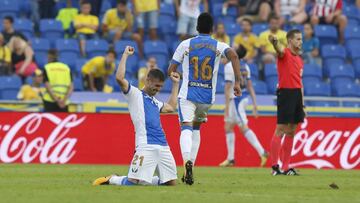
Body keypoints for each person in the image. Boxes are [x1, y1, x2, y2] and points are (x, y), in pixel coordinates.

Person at [168, 12, 243, 185]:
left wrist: (178, 75)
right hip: (207, 97)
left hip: (188, 94)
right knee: (197, 128)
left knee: (185, 127)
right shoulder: (218, 45)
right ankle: (192, 165)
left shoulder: (185, 44)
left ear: (196, 27)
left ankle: (186, 161)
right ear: (212, 28)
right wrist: (237, 82)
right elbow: (234, 56)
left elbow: (171, 69)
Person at [92, 46, 180, 186]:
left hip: (163, 145)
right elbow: (119, 78)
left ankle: (144, 180)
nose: (158, 89)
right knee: (131, 183)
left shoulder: (155, 102)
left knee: (170, 183)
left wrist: (176, 85)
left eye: (160, 87)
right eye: (156, 86)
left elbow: (171, 107)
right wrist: (125, 54)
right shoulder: (134, 94)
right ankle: (112, 179)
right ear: (148, 80)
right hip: (145, 145)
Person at [219, 45, 268, 167]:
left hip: (236, 100)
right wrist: (255, 103)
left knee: (243, 127)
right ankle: (230, 159)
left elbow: (227, 88)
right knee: (228, 127)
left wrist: (225, 107)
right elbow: (250, 85)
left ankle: (262, 152)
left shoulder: (229, 66)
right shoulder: (245, 66)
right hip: (243, 98)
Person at [268, 29, 305, 176]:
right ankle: (274, 166)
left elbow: (300, 82)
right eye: (297, 39)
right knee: (281, 129)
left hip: (296, 94)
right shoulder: (285, 54)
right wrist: (275, 42)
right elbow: (279, 50)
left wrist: (302, 104)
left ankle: (286, 166)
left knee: (292, 131)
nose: (300, 42)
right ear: (290, 41)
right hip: (286, 93)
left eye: (301, 39)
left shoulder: (300, 60)